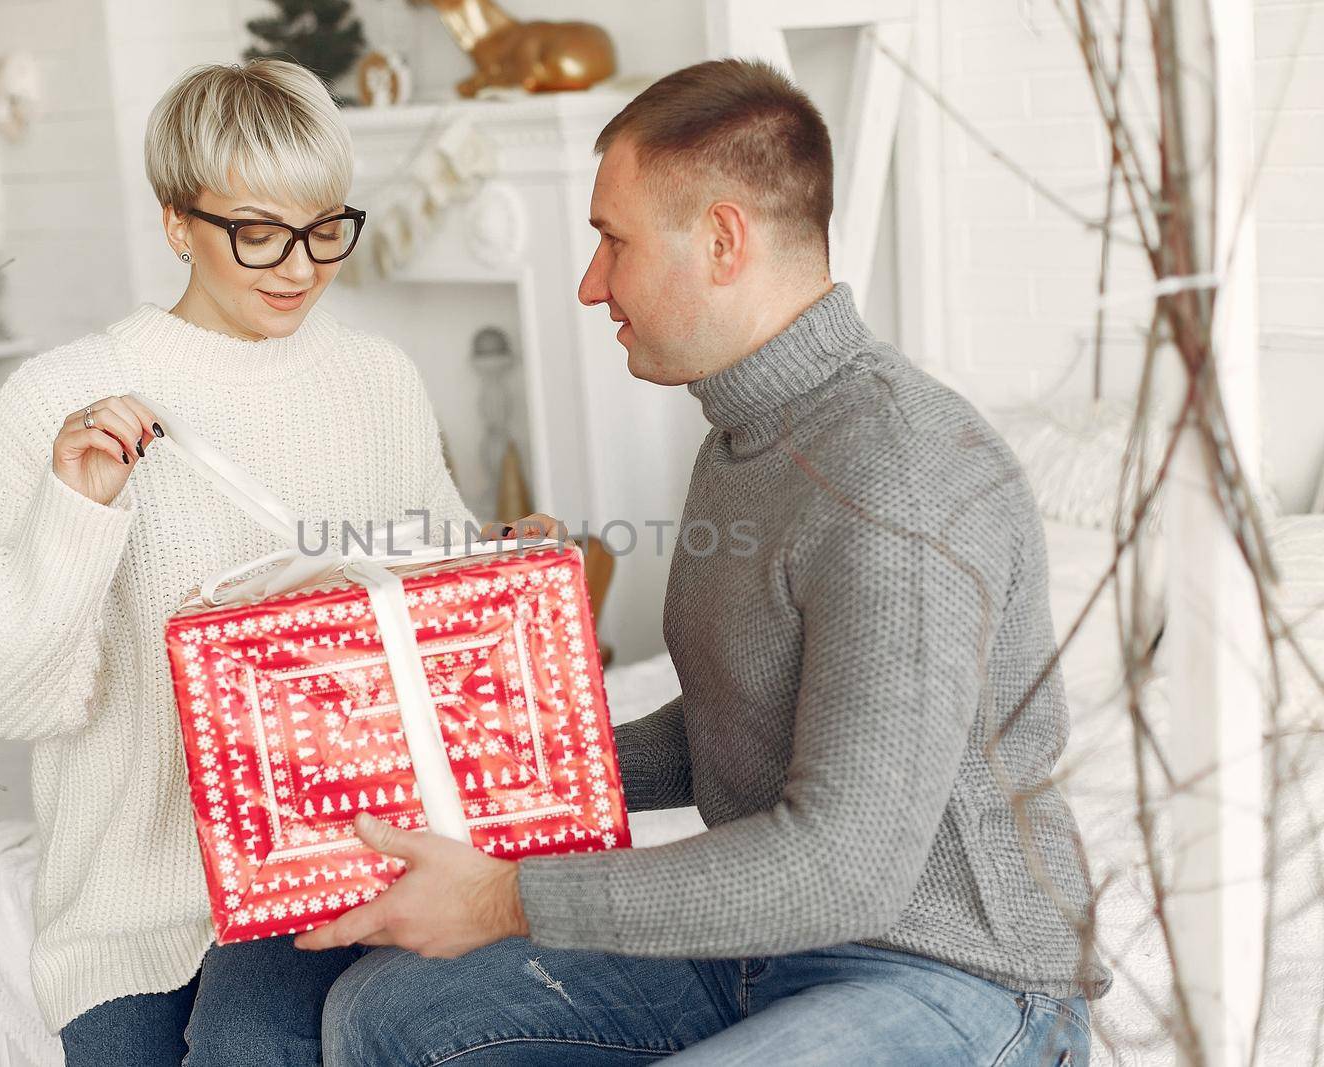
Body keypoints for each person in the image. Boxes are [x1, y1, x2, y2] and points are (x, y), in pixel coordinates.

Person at [298, 58, 1111, 1065]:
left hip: (954, 971)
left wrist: (507, 898)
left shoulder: (898, 480)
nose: (592, 284)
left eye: (612, 241)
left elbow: (843, 868)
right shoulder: (746, 436)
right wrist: (498, 763)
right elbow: (741, 717)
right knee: (384, 1013)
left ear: (722, 238)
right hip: (764, 943)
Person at [0, 59, 544, 1067]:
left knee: (247, 1045)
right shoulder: (61, 396)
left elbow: (438, 636)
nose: (298, 266)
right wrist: (75, 509)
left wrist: (497, 571)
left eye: (324, 226)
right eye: (257, 231)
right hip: (127, 904)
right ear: (177, 223)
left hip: (337, 861)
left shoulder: (378, 381)